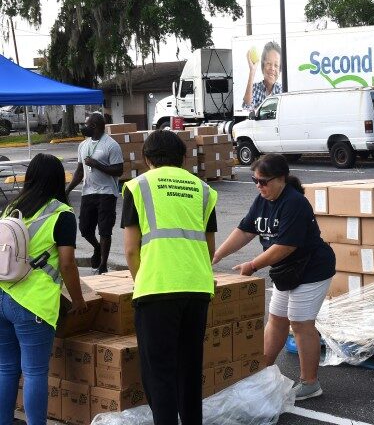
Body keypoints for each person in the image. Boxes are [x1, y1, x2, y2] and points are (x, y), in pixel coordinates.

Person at [213, 153, 335, 401]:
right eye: (255, 181)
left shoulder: (295, 203)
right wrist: (216, 256)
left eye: (263, 181)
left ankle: (310, 383)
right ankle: (261, 371)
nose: (259, 186)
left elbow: (286, 246)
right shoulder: (262, 200)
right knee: (277, 319)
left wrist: (252, 265)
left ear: (281, 179)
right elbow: (245, 230)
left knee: (300, 323)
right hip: (286, 271)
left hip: (311, 269)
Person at [121, 130, 217, 425]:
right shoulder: (203, 189)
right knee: (189, 370)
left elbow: (130, 250)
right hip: (197, 287)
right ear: (184, 158)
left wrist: (143, 280)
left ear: (147, 158)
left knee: (159, 373)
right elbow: (209, 247)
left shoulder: (138, 187)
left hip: (157, 288)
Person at [0, 153, 86, 425]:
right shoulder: (61, 213)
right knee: (35, 372)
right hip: (32, 302)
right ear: (58, 180)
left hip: (2, 294)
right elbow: (68, 263)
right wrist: (78, 300)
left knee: (5, 368)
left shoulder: (12, 207)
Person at [66, 112, 123, 274]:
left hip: (107, 193)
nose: (83, 127)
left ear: (95, 126)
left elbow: (119, 170)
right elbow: (79, 171)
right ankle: (97, 247)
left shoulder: (111, 145)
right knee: (85, 229)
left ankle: (103, 264)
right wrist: (68, 189)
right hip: (88, 192)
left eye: (86, 124)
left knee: (105, 229)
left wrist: (96, 164)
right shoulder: (83, 146)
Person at [242, 41, 282, 111]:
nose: (272, 68)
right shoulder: (254, 88)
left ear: (280, 70)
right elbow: (246, 108)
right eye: (269, 63)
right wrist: (252, 71)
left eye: (276, 65)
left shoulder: (282, 91)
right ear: (263, 66)